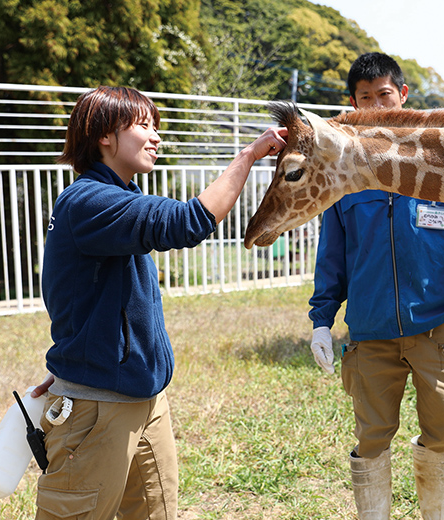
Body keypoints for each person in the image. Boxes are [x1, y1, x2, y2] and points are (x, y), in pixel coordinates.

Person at [29, 85, 286, 520]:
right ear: (104, 136)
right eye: (144, 126)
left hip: (145, 400)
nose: (156, 137)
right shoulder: (90, 200)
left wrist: (78, 353)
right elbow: (189, 223)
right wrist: (247, 156)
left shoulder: (117, 199)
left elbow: (80, 296)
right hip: (98, 410)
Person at [308, 52, 444, 520]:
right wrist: (322, 320)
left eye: (384, 94)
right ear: (354, 106)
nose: (377, 105)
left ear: (402, 95)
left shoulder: (440, 162)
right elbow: (332, 258)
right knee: (371, 439)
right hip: (369, 333)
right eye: (365, 99)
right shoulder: (347, 179)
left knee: (442, 435)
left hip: (437, 329)